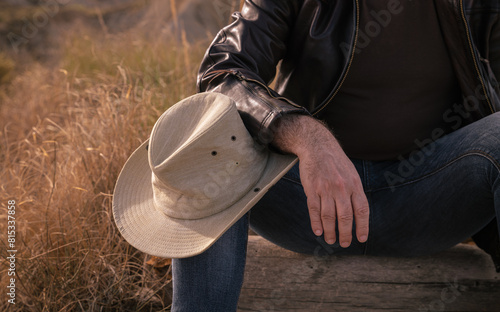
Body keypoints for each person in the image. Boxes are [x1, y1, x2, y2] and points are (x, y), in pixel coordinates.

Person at [172, 1, 500, 310]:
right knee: (208, 138)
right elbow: (221, 73)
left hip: (429, 200)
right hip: (304, 200)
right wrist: (305, 134)